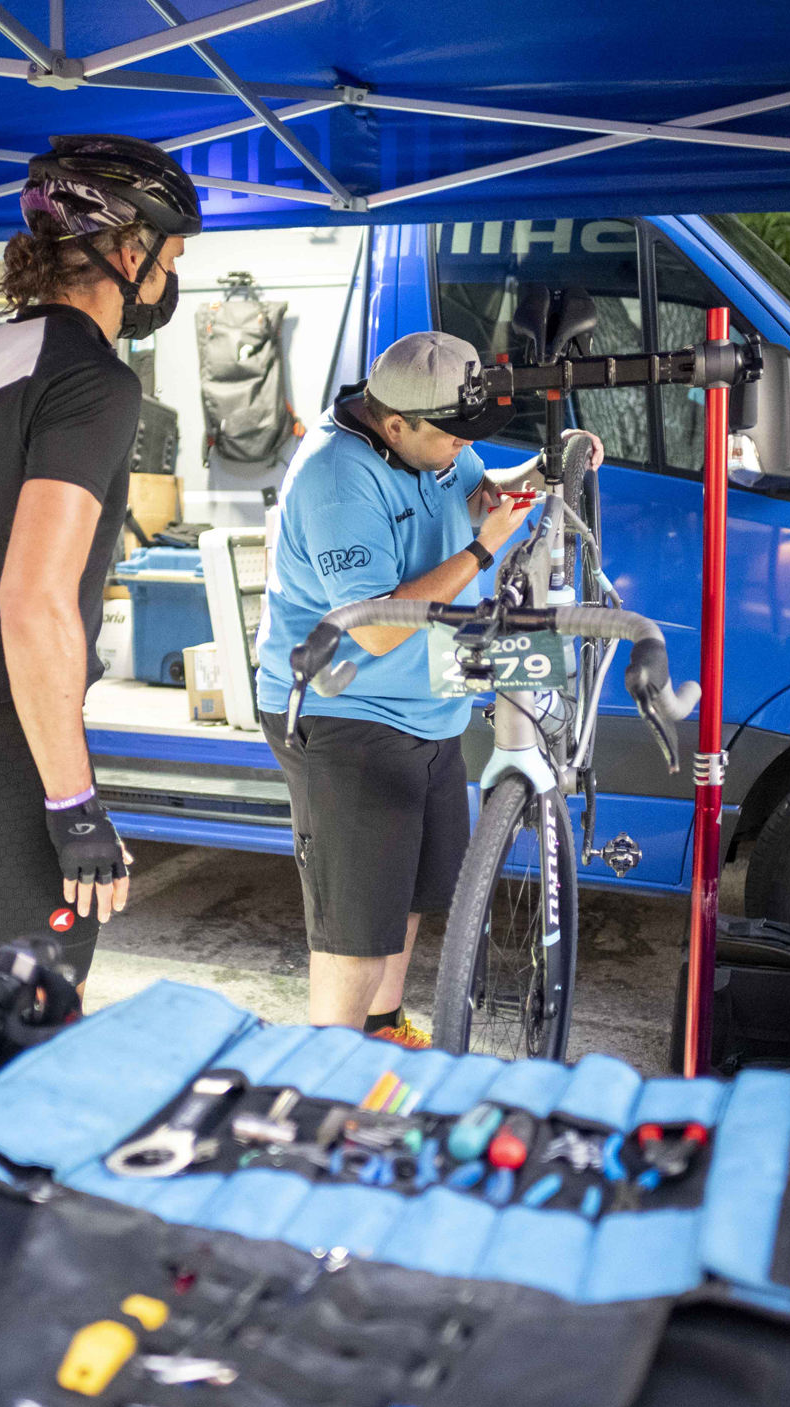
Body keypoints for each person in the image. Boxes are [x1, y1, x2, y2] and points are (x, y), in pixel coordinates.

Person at [0, 134, 197, 981]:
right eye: (168, 259)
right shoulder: (94, 380)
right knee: (37, 1022)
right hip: (0, 734)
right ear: (127, 251)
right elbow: (35, 599)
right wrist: (73, 801)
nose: (167, 280)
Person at [254, 331, 602, 1045]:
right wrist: (485, 549)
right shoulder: (335, 478)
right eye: (451, 438)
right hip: (346, 703)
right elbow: (376, 628)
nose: (459, 448)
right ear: (394, 425)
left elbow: (476, 491)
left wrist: (542, 468)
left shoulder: (433, 435)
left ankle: (380, 1025)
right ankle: (331, 1069)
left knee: (409, 888)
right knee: (356, 920)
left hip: (427, 697)